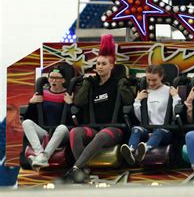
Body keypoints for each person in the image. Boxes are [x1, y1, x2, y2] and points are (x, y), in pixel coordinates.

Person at [65, 34, 134, 182]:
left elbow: (129, 101)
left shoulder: (119, 81)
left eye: (103, 64)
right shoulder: (91, 83)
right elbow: (78, 103)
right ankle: (83, 169)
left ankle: (76, 168)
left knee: (102, 135)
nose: (100, 67)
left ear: (111, 66)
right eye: (97, 64)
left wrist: (122, 84)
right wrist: (86, 84)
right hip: (94, 127)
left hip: (114, 129)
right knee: (75, 132)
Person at [120, 65, 180, 165]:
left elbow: (175, 114)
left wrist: (176, 97)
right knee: (136, 129)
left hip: (164, 130)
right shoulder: (144, 92)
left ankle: (144, 149)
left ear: (161, 77)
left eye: (154, 80)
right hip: (147, 128)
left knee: (158, 132)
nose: (151, 83)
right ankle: (131, 150)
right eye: (148, 80)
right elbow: (140, 117)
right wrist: (137, 101)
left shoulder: (169, 90)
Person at [22, 66, 73, 169]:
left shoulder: (69, 94)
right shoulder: (42, 93)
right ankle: (41, 154)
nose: (54, 80)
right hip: (45, 133)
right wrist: (32, 103)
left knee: (62, 128)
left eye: (57, 78)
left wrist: (70, 104)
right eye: (51, 77)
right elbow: (29, 117)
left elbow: (76, 119)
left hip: (62, 133)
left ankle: (42, 157)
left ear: (63, 80)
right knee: (26, 122)